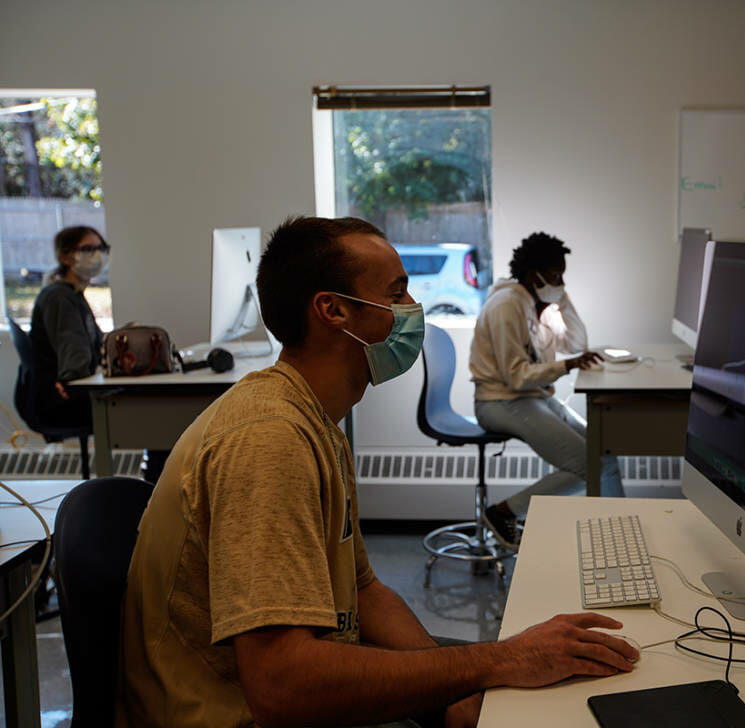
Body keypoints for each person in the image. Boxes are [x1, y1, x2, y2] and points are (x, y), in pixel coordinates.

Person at [116, 217, 637, 728]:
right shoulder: (269, 439)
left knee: (538, 686)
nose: (413, 310)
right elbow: (281, 686)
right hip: (236, 712)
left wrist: (453, 694)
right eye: (397, 293)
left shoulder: (317, 421)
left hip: (293, 687)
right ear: (333, 310)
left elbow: (364, 590)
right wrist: (494, 662)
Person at [470, 232, 622, 550]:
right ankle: (503, 513)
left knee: (605, 452)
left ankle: (619, 530)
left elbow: (578, 343)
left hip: (534, 397)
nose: (561, 281)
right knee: (586, 465)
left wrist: (562, 299)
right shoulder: (506, 306)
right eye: (556, 275)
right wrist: (568, 366)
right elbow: (516, 377)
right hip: (501, 402)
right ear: (533, 274)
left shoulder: (540, 305)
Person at [29, 226, 108, 430]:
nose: (97, 255)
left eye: (101, 247)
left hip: (68, 394)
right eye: (88, 249)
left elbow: (95, 345)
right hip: (61, 401)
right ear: (65, 257)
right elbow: (75, 355)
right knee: (154, 411)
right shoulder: (60, 297)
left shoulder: (73, 294)